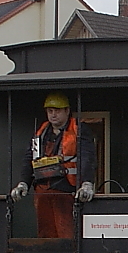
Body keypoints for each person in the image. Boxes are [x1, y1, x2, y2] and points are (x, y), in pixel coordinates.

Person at [10, 92, 96, 238]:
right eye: (50, 111)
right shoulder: (40, 133)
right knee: (45, 234)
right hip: (42, 191)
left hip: (66, 191)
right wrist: (23, 183)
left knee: (67, 234)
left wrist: (87, 183)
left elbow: (87, 158)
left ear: (67, 111)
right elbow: (29, 158)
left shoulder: (79, 130)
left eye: (57, 111)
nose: (53, 114)